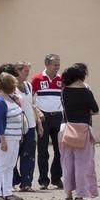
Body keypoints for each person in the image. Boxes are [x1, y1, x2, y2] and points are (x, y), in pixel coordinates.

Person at [59, 63, 99, 200]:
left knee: (67, 163)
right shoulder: (86, 92)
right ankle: (80, 196)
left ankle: (68, 194)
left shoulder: (64, 91)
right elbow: (95, 110)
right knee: (82, 164)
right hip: (81, 128)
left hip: (65, 128)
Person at [0, 72, 24, 200]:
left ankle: (8, 192)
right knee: (1, 165)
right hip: (5, 137)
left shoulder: (10, 97)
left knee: (10, 166)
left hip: (14, 137)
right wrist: (2, 140)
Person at [31, 54, 64, 190]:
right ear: (47, 65)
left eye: (58, 64)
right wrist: (37, 112)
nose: (57, 67)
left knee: (60, 150)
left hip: (58, 117)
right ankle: (43, 180)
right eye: (55, 64)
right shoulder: (37, 79)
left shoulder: (62, 79)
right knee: (43, 150)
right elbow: (29, 98)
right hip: (43, 119)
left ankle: (56, 178)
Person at [13, 61, 41, 192]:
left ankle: (26, 183)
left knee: (29, 155)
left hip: (30, 125)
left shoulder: (28, 85)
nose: (27, 74)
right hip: (17, 126)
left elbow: (32, 104)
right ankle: (12, 180)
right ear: (17, 71)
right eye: (25, 71)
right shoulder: (12, 87)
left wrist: (38, 123)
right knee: (14, 155)